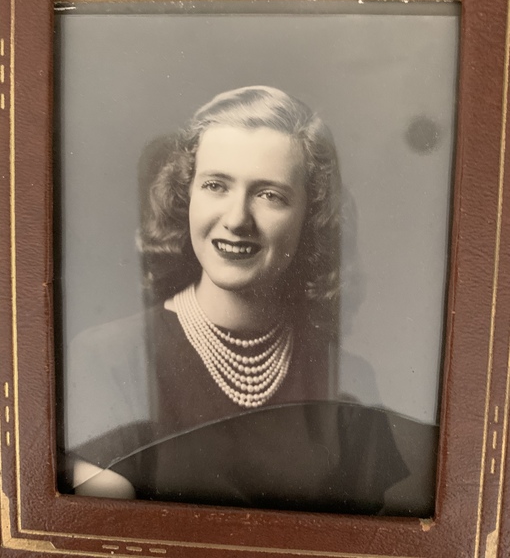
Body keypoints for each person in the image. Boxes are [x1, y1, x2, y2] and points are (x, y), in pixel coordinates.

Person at [62, 86, 411, 513]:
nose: (237, 219)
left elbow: (359, 542)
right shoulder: (109, 360)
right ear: (186, 195)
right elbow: (104, 537)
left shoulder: (350, 380)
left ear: (311, 216)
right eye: (216, 185)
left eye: (270, 195)